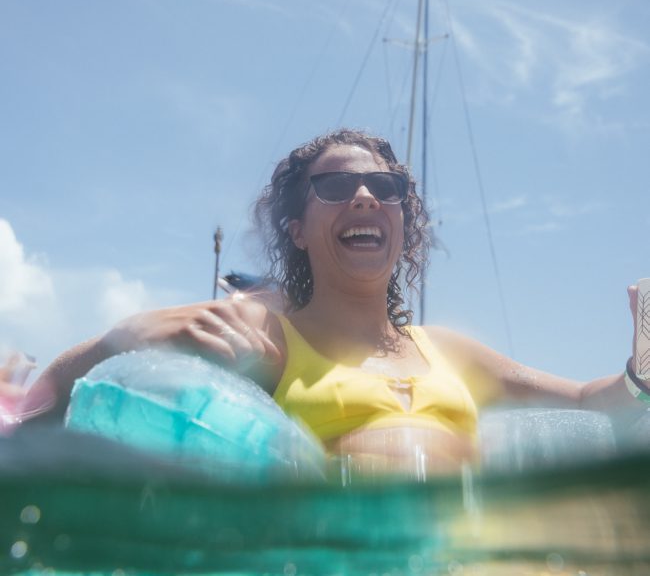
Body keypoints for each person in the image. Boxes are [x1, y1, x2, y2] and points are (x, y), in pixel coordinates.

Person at [22, 129, 647, 474]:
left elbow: (594, 405)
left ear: (405, 220)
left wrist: (642, 367)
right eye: (337, 185)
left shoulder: (447, 350)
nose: (366, 196)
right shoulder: (267, 331)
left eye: (386, 186)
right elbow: (47, 400)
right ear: (296, 228)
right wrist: (123, 336)